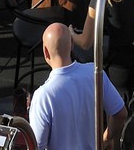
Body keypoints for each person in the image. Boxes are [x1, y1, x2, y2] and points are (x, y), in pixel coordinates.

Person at [29, 21, 127, 150]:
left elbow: (36, 146)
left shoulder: (43, 96)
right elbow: (120, 114)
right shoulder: (94, 72)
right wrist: (106, 139)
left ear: (45, 52)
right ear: (72, 45)